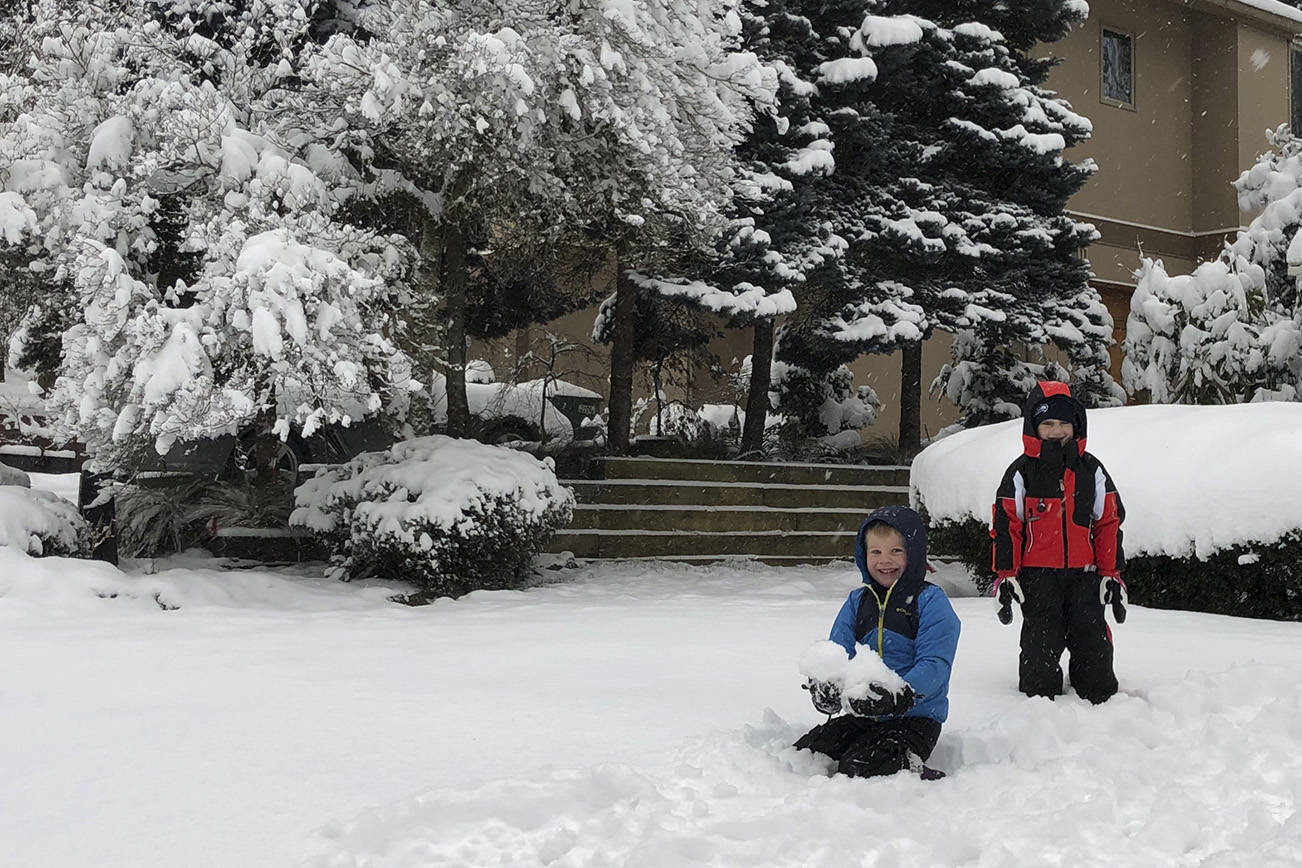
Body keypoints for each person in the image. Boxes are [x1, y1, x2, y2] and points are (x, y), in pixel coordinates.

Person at [794, 505, 961, 779]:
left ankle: (913, 770)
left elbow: (935, 665)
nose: (885, 560)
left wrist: (899, 693)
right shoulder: (857, 602)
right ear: (864, 555)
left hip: (915, 718)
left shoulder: (930, 602)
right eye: (876, 552)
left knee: (862, 766)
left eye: (896, 551)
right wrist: (826, 685)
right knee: (809, 755)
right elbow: (838, 653)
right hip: (864, 714)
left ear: (914, 553)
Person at [991, 380, 1127, 704]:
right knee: (1040, 650)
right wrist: (1006, 576)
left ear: (1076, 425)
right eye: (1047, 423)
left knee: (1092, 645)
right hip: (1038, 577)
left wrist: (1111, 572)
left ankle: (1097, 699)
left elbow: (1108, 521)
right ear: (1034, 427)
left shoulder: (1091, 469)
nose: (1056, 431)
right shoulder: (1022, 472)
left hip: (1084, 575)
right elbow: (1007, 524)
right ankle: (1042, 701)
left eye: (1064, 423)